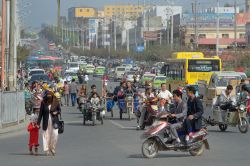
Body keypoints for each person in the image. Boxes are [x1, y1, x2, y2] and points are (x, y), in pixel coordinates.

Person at [37, 90, 61, 156]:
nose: (49, 98)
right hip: (46, 122)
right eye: (48, 97)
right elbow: (40, 114)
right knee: (46, 136)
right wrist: (38, 124)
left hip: (54, 121)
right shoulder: (43, 103)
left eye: (50, 97)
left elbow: (59, 110)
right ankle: (47, 149)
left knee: (55, 134)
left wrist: (56, 112)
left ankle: (52, 148)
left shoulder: (56, 102)